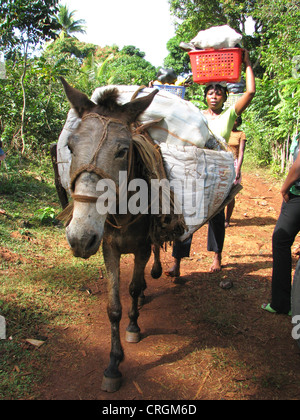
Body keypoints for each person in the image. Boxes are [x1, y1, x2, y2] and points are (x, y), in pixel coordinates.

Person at [166, 50, 255, 287]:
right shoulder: (196, 116)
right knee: (186, 216)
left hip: (218, 173)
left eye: (218, 93)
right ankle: (177, 262)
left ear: (225, 98)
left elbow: (250, 92)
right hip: (195, 172)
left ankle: (217, 257)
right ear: (205, 96)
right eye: (210, 92)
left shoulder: (228, 116)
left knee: (216, 218)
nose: (213, 96)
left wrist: (246, 63)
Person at [262, 134, 300, 315]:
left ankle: (282, 303)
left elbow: (299, 165)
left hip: (297, 196)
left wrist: (285, 187)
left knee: (281, 240)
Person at [225, 116, 247, 228]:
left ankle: (227, 219)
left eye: (235, 120)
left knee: (231, 194)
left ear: (237, 122)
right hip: (223, 162)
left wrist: (238, 169)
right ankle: (216, 218)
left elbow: (241, 152)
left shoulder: (241, 134)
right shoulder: (224, 131)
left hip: (233, 163)